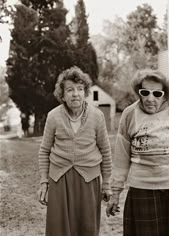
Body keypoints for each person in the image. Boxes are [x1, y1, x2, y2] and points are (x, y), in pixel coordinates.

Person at [106, 69, 169, 236]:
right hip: (142, 186)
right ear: (138, 92)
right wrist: (115, 193)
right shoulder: (129, 114)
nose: (150, 98)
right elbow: (121, 158)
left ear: (165, 94)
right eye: (145, 92)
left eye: (157, 93)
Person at [37, 66, 112, 236]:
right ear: (62, 95)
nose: (75, 94)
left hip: (89, 179)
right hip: (59, 178)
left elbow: (106, 152)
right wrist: (43, 182)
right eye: (70, 90)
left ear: (85, 92)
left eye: (80, 89)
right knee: (58, 229)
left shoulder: (97, 116)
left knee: (86, 228)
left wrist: (107, 184)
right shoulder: (53, 116)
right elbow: (44, 151)